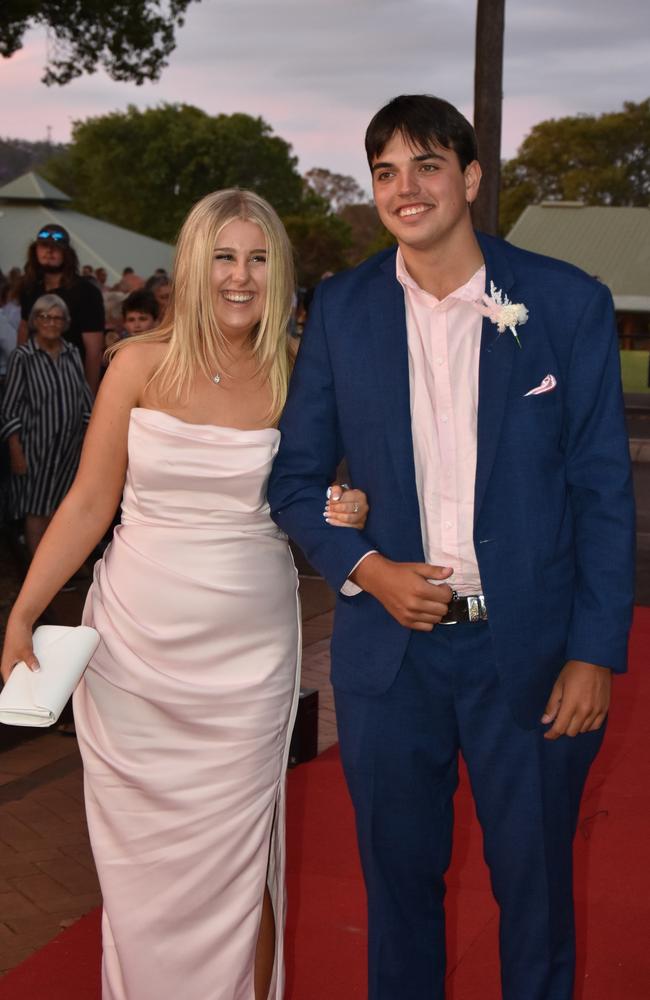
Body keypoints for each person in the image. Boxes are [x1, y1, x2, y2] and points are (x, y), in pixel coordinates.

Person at [267, 94, 635, 1000]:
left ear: (469, 179)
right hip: (391, 658)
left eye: (427, 165)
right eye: (386, 171)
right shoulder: (344, 309)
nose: (406, 187)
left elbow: (602, 492)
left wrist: (594, 652)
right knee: (397, 891)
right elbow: (294, 478)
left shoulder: (563, 303)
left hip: (533, 651)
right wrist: (365, 568)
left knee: (536, 889)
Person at [1, 189, 368, 1000]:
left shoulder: (300, 377)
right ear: (195, 266)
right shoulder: (135, 363)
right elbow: (90, 503)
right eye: (225, 257)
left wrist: (352, 508)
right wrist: (24, 611)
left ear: (279, 272)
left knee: (243, 867)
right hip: (135, 655)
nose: (241, 277)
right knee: (141, 885)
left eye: (259, 258)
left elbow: (324, 497)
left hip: (246, 663)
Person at [0, 294, 92, 556]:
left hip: (69, 450)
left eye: (57, 317)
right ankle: (37, 571)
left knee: (61, 509)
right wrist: (16, 450)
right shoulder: (23, 356)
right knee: (37, 509)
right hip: (35, 450)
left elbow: (85, 400)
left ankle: (54, 567)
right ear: (35, 321)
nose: (51, 322)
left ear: (65, 323)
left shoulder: (72, 353)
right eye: (44, 316)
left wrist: (86, 443)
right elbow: (9, 408)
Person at [18, 224, 105, 395]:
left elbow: (94, 351)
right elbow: (23, 330)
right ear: (34, 250)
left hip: (71, 386)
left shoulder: (86, 292)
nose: (49, 251)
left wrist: (89, 396)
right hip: (33, 384)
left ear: (67, 253)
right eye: (44, 246)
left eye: (56, 247)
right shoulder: (29, 288)